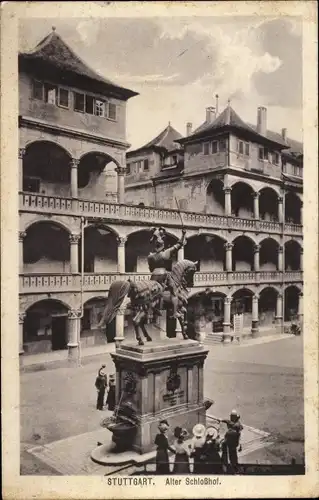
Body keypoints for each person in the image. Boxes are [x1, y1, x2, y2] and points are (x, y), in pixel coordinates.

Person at [148, 227, 187, 319]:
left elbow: (151, 269)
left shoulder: (150, 256)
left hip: (153, 276)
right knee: (174, 292)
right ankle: (175, 312)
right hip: (163, 274)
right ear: (162, 245)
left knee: (153, 293)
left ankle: (153, 309)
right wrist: (183, 234)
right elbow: (179, 244)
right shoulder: (166, 253)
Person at [220, 410, 243, 474]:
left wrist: (227, 421)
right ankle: (232, 467)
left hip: (233, 442)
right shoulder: (233, 422)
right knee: (230, 454)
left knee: (232, 455)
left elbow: (235, 426)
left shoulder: (237, 424)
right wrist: (223, 420)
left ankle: (234, 468)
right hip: (231, 441)